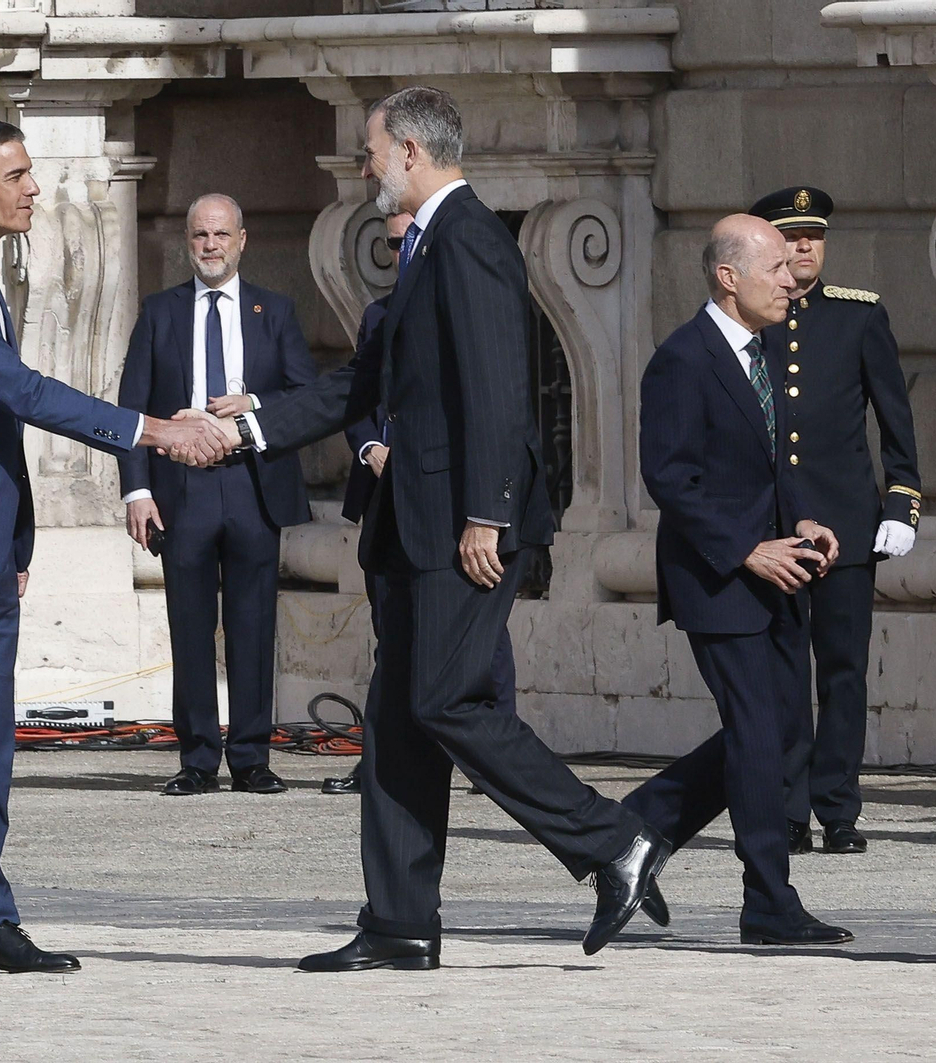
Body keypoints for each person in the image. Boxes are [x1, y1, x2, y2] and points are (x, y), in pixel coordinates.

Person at [183, 87, 666, 969]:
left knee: (446, 701)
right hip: (415, 526)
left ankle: (614, 841)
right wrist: (247, 427)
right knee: (398, 725)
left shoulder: (472, 238)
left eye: (370, 152)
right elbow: (363, 385)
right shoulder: (426, 248)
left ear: (409, 150)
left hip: (461, 528)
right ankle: (399, 923)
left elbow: (499, 386)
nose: (363, 168)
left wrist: (489, 511)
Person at [0, 117, 233, 978]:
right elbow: (16, 391)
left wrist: (19, 531)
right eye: (16, 174)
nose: (32, 188)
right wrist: (152, 430)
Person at [619, 213, 852, 946]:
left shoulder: (760, 348)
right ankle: (769, 902)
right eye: (776, 268)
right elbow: (672, 478)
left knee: (778, 731)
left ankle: (632, 827)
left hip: (772, 572)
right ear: (729, 278)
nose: (791, 280)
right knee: (758, 735)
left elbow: (764, 466)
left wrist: (803, 522)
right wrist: (748, 548)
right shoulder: (683, 359)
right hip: (717, 577)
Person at [117, 193, 316, 797]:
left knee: (255, 625)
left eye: (221, 235)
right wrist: (137, 491)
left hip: (254, 482)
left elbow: (310, 399)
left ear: (242, 240)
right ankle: (199, 758)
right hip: (183, 488)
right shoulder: (159, 311)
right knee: (191, 625)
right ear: (187, 241)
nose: (210, 246)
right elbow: (131, 409)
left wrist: (254, 403)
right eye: (200, 235)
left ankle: (252, 757)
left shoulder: (274, 311)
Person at [748, 186, 922, 856]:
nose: (804, 248)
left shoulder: (859, 317)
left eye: (813, 237)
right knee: (784, 670)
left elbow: (894, 420)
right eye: (792, 237)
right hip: (777, 526)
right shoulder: (751, 321)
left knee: (844, 672)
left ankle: (839, 809)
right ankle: (791, 806)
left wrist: (901, 500)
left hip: (848, 525)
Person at [324, 211, 522, 798]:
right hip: (388, 503)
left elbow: (495, 404)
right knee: (395, 641)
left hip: (456, 507)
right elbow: (355, 396)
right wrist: (370, 448)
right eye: (387, 245)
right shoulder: (379, 316)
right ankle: (390, 759)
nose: (396, 255)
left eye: (403, 243)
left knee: (480, 644)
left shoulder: (469, 293)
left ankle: (493, 760)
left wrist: (485, 513)